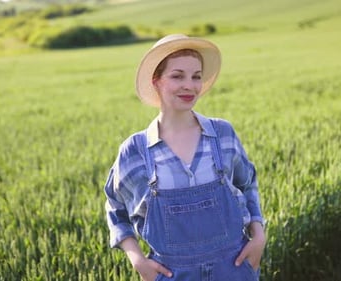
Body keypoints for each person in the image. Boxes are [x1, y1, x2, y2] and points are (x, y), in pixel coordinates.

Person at [104, 34, 266, 281]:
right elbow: (115, 206)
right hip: (172, 274)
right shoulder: (136, 150)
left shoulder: (222, 134)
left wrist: (259, 234)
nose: (189, 85)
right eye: (177, 76)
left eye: (196, 76)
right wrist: (137, 259)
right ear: (156, 81)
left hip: (234, 267)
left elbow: (247, 183)